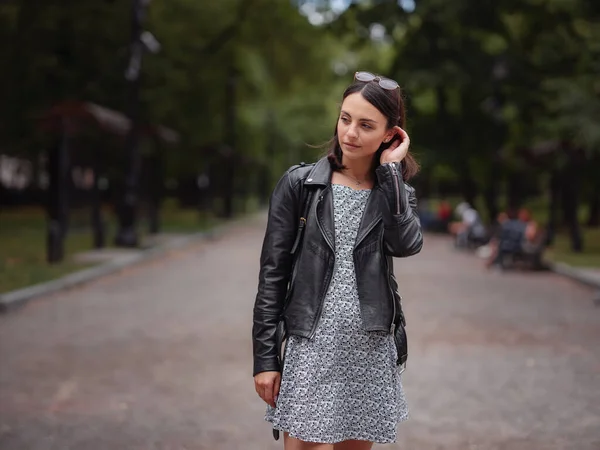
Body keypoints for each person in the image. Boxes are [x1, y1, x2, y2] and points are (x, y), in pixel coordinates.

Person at [252, 71, 423, 450]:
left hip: (369, 346)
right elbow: (273, 274)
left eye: (366, 125)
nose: (350, 133)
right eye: (346, 118)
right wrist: (265, 358)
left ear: (390, 134)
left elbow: (407, 244)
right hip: (310, 343)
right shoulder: (301, 184)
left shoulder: (396, 194)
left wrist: (391, 173)